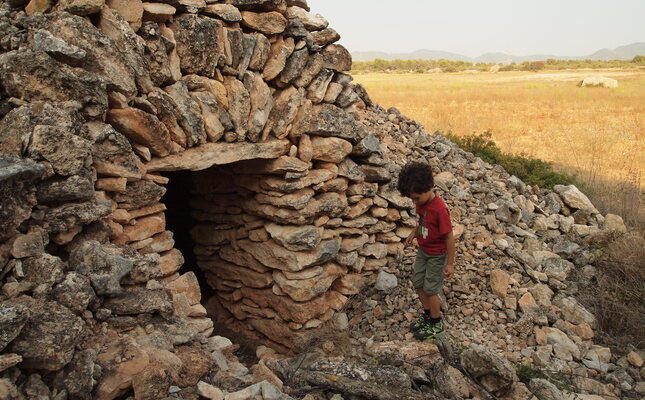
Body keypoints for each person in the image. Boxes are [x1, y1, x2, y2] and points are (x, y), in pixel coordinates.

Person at [397, 162, 455, 340]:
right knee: (418, 283)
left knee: (431, 289)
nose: (415, 202)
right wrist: (414, 232)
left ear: (429, 187)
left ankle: (436, 324)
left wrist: (450, 263)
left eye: (416, 198)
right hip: (423, 250)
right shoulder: (421, 204)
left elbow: (449, 237)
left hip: (437, 255)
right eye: (412, 199)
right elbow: (422, 221)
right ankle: (428, 316)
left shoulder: (440, 209)